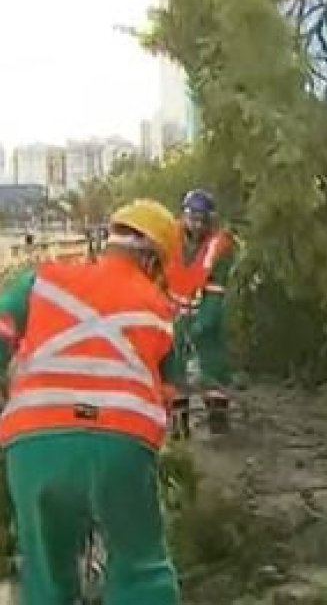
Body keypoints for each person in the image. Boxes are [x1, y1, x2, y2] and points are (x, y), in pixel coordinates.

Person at [0, 199, 184, 604]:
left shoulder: (42, 280)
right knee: (141, 567)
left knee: (45, 572)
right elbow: (168, 396)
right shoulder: (159, 309)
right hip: (122, 441)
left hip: (34, 441)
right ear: (154, 262)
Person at [164, 189, 237, 434]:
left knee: (211, 369)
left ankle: (219, 424)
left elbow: (215, 295)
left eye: (201, 220)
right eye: (191, 218)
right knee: (174, 373)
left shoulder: (219, 248)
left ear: (209, 220)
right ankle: (178, 429)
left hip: (204, 318)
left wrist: (202, 324)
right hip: (173, 318)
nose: (195, 225)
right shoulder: (169, 239)